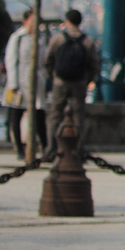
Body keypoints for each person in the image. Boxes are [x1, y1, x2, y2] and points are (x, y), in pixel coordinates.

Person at [44, 9, 101, 154]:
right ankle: (78, 149)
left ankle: (51, 147)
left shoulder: (58, 39)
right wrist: (87, 79)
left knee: (55, 115)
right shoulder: (87, 41)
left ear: (67, 21)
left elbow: (48, 59)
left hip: (60, 82)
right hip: (79, 83)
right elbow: (94, 64)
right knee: (78, 117)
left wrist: (53, 75)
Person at [2, 9, 46, 161]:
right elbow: (10, 60)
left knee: (40, 113)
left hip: (35, 81)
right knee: (16, 114)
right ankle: (20, 148)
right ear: (25, 21)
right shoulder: (17, 38)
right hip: (19, 81)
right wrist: (13, 83)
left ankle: (45, 147)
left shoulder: (40, 38)